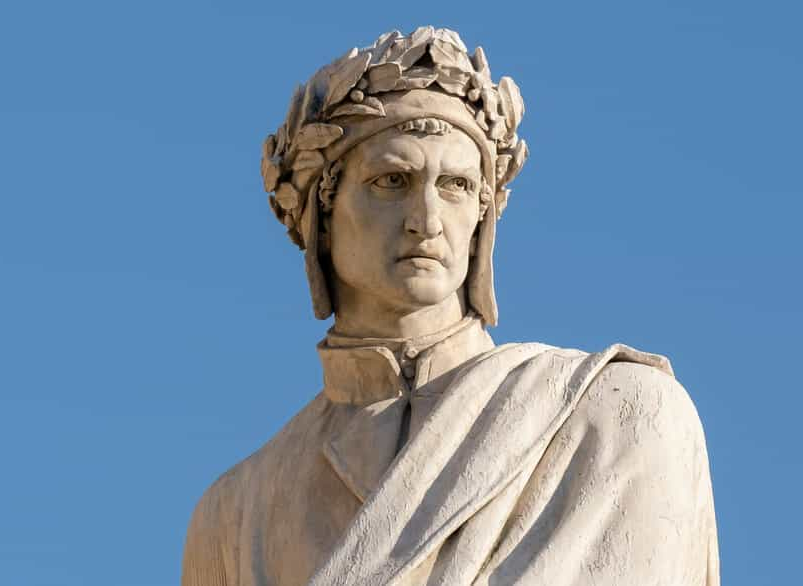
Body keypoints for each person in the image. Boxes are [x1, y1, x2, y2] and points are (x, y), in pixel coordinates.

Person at [181, 27, 719, 585]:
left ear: (484, 215)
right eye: (392, 181)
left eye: (457, 185)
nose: (428, 220)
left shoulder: (611, 414)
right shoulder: (234, 513)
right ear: (322, 211)